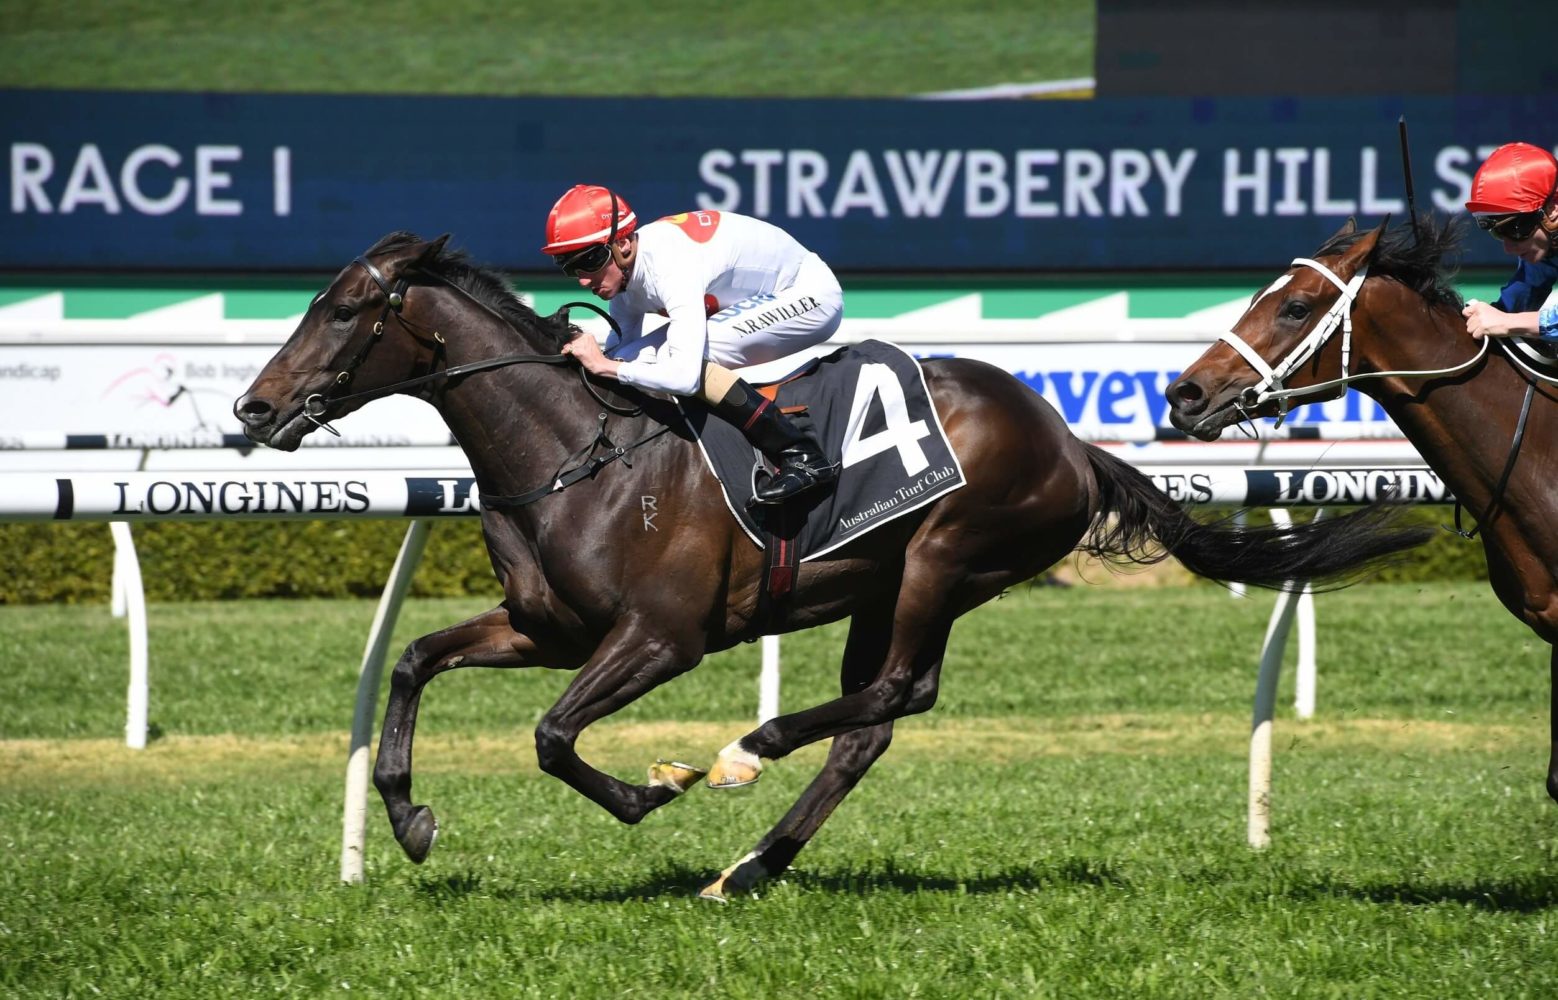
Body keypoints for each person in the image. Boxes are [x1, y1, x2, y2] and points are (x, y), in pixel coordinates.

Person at [542, 184, 842, 506]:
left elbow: (684, 376)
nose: (584, 279)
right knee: (631, 358)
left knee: (672, 359)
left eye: (589, 261)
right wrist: (598, 362)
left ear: (623, 244)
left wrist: (605, 365)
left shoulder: (670, 263)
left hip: (809, 295)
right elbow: (619, 358)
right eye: (571, 267)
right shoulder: (625, 278)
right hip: (758, 293)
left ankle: (801, 454)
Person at [1461, 142, 1558, 341]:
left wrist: (1506, 323)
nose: (1507, 248)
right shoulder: (1544, 242)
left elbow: (1507, 320)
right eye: (1498, 233)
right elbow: (1520, 297)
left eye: (1514, 229)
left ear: (1552, 209)